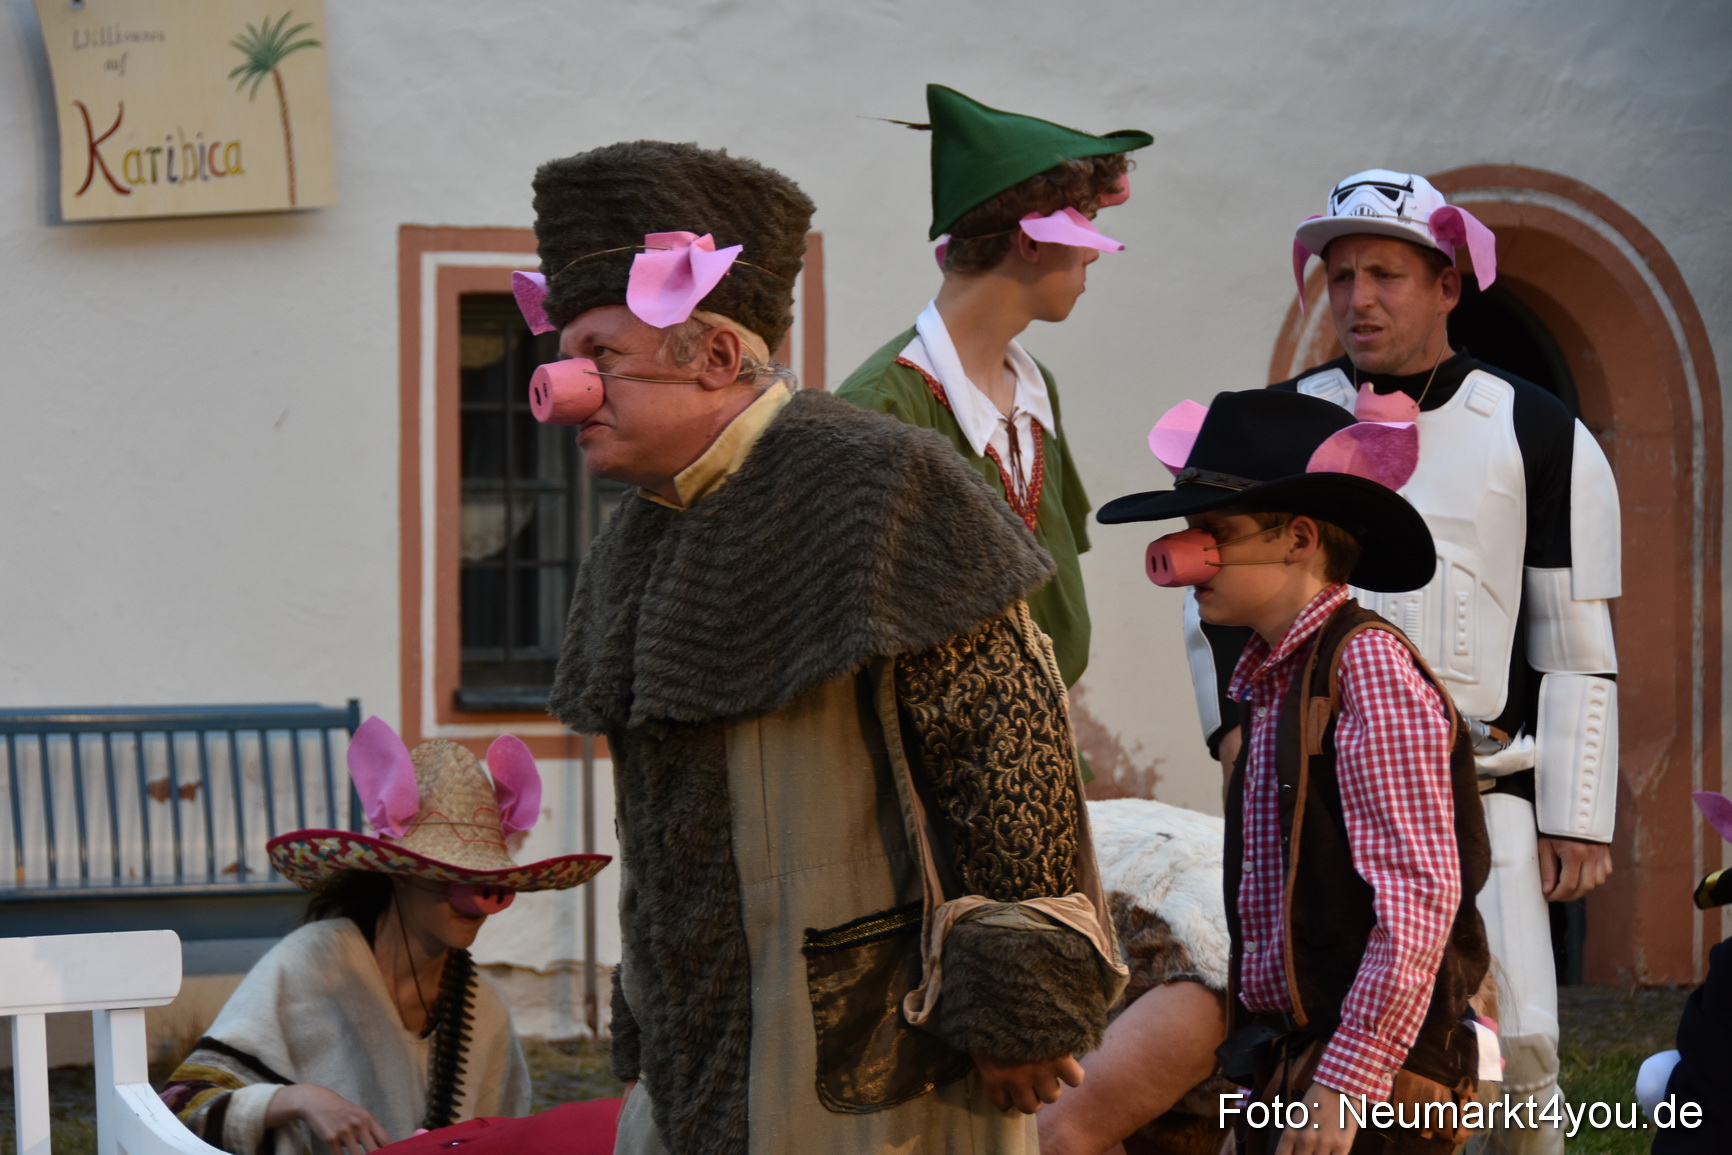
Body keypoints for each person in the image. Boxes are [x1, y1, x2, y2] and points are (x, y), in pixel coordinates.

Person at [521, 139, 1124, 1155]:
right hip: (698, 1051)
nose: (568, 389)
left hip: (874, 1052)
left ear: (714, 355)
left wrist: (1019, 1005)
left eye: (600, 358)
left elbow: (1014, 755)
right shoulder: (640, 533)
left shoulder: (880, 484)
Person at [1190, 169, 1620, 1154]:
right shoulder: (1279, 421)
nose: (1359, 298)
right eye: (1340, 276)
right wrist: (1234, 732)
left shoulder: (1536, 431)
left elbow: (1574, 635)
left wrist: (1576, 814)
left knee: (1521, 1054)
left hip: (1488, 791)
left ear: (1447, 283)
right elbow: (1212, 592)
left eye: (1383, 273)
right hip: (1318, 792)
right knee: (1326, 1024)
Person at [1101, 388, 1491, 1154]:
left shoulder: (1367, 667)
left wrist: (1345, 1086)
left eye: (1217, 531)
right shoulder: (1269, 679)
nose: (1190, 555)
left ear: (1299, 538)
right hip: (1290, 1059)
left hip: (1373, 1082)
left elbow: (1418, 897)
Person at [158, 717, 608, 1155]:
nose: (477, 901)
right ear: (401, 876)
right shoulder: (312, 964)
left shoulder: (484, 1013)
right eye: (451, 877)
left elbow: (502, 1138)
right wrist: (301, 1099)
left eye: (490, 882)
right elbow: (183, 1105)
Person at [837, 84, 1151, 689]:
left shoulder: (1035, 388)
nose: (1093, 260)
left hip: (1043, 739)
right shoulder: (877, 409)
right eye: (1085, 237)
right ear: (1030, 242)